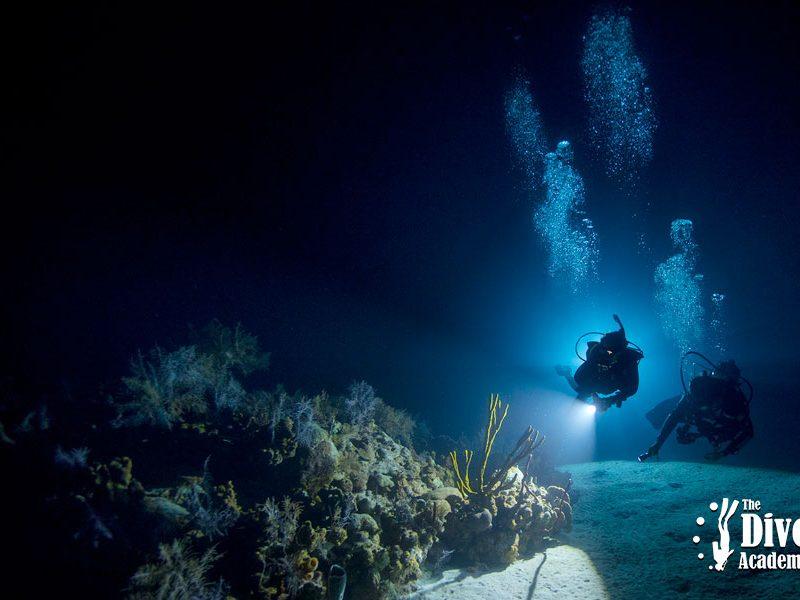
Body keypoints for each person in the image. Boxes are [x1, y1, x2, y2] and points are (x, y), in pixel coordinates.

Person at [638, 360, 753, 462]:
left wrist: (724, 453)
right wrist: (658, 443)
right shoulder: (696, 392)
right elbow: (675, 415)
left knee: (724, 429)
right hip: (704, 421)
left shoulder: (734, 403)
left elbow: (748, 432)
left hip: (720, 425)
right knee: (676, 406)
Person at [556, 314, 643, 412]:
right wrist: (594, 395)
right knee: (581, 390)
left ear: (619, 352)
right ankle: (567, 374)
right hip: (597, 379)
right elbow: (582, 378)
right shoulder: (595, 352)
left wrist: (610, 400)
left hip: (612, 383)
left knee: (588, 391)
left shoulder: (629, 360)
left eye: (608, 351)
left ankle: (570, 377)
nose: (603, 352)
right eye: (602, 348)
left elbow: (632, 389)